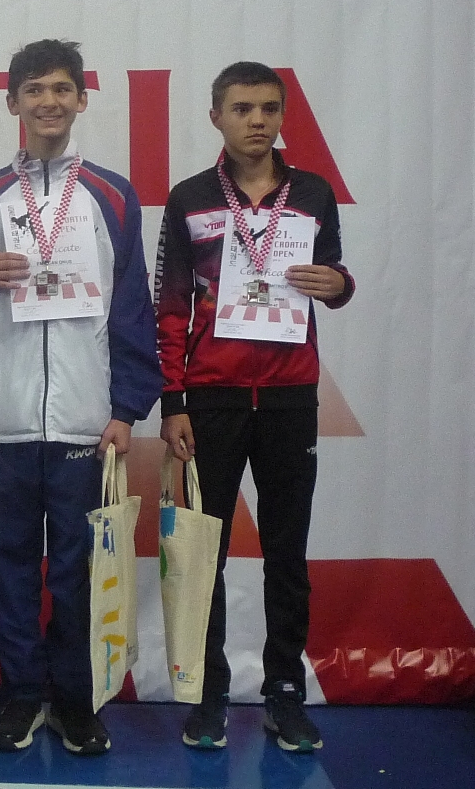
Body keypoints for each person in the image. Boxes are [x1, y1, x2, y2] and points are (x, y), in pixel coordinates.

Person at [0, 39, 161, 755]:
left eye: (62, 88)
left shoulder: (113, 196)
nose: (49, 102)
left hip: (85, 424)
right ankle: (20, 693)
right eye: (34, 90)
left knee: (76, 570)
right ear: (13, 103)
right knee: (6, 564)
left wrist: (125, 410)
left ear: (82, 99)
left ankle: (74, 698)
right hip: (3, 422)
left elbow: (133, 310)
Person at [155, 61, 354, 752]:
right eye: (242, 109)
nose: (257, 120)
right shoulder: (188, 199)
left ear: (282, 115)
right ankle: (208, 693)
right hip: (211, 399)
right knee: (203, 553)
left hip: (291, 396)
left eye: (269, 108)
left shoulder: (314, 194)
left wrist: (338, 284)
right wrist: (173, 401)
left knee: (286, 552)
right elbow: (169, 307)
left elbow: (334, 273)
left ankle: (285, 693)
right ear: (216, 116)